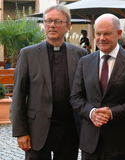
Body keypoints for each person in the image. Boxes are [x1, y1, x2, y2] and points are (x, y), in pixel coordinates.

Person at [11, 4, 87, 160]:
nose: (52, 25)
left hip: (69, 130)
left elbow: (86, 92)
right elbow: (18, 95)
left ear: (68, 26)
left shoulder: (80, 54)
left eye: (58, 21)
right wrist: (20, 131)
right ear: (44, 24)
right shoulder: (28, 54)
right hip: (36, 129)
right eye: (48, 21)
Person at [70, 13, 125, 160]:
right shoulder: (85, 62)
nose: (101, 38)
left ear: (119, 33)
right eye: (98, 33)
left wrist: (112, 113)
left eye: (106, 33)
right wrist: (92, 112)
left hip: (121, 140)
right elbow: (75, 96)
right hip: (90, 140)